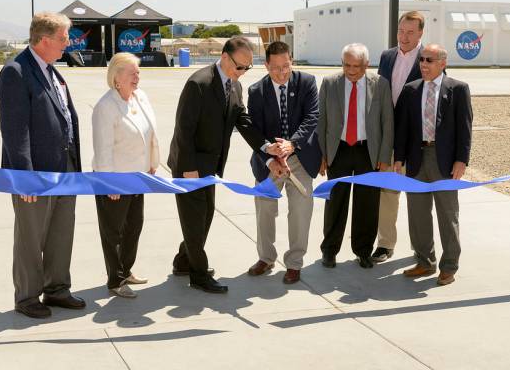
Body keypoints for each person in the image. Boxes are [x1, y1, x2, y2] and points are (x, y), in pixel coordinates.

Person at [167, 36, 283, 293]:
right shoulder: (199, 83)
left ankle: (184, 260)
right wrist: (188, 168)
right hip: (191, 165)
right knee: (196, 218)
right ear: (224, 57)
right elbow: (183, 129)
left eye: (246, 68)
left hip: (211, 166)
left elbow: (242, 121)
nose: (241, 72)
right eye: (239, 66)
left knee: (205, 215)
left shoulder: (234, 86)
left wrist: (265, 147)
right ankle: (198, 275)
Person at [0, 12, 85, 318]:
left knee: (61, 234)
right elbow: (14, 131)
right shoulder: (16, 72)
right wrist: (24, 177)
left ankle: (57, 289)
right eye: (64, 39)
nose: (68, 44)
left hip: (65, 171)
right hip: (35, 175)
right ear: (44, 40)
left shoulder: (52, 71)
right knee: (30, 238)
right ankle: (27, 296)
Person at [394, 44, 473, 286]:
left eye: (429, 60)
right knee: (418, 214)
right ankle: (424, 261)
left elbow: (465, 128)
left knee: (447, 214)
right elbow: (403, 129)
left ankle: (449, 266)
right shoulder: (410, 90)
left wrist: (462, 159)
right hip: (417, 160)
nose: (424, 64)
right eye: (422, 60)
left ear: (443, 63)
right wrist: (399, 158)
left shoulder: (458, 89)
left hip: (445, 161)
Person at [246, 41, 321, 284]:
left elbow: (312, 117)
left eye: (286, 66)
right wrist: (272, 155)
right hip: (270, 160)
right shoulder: (256, 91)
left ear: (291, 61)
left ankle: (294, 263)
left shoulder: (307, 82)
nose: (281, 73)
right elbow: (255, 130)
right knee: (265, 209)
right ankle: (266, 258)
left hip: (300, 156)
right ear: (266, 65)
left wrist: (292, 144)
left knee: (300, 211)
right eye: (275, 68)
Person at [317, 43, 394, 269]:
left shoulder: (380, 84)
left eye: (356, 66)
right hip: (338, 150)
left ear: (367, 65)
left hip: (367, 151)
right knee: (335, 203)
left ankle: (363, 251)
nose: (351, 71)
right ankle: (329, 250)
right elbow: (321, 121)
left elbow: (387, 123)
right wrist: (322, 154)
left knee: (367, 204)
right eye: (346, 65)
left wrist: (384, 156)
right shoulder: (330, 83)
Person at [92, 52, 160, 299]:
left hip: (138, 176)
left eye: (138, 72)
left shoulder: (139, 97)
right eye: (132, 73)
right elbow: (103, 149)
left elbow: (149, 133)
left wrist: (152, 162)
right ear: (116, 77)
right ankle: (115, 279)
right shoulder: (105, 107)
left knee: (134, 226)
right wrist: (110, 183)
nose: (137, 77)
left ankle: (126, 269)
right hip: (115, 180)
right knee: (113, 232)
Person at [372, 11, 425, 263]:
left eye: (410, 32)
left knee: (418, 197)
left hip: (417, 142)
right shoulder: (386, 56)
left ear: (421, 34)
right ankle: (385, 244)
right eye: (400, 31)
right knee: (387, 192)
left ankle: (421, 247)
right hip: (389, 137)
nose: (404, 37)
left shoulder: (430, 58)